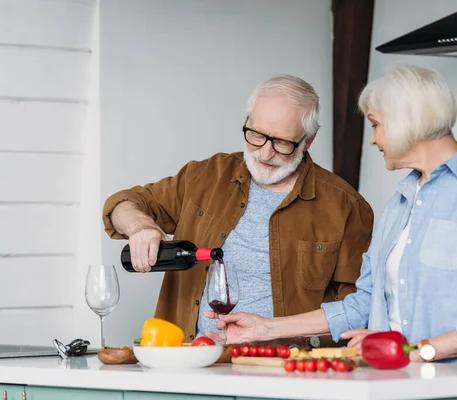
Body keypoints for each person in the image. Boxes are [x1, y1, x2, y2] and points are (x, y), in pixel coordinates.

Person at [205, 64, 457, 365]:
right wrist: (266, 328)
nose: (373, 138)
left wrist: (414, 351)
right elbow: (364, 304)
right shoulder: (400, 204)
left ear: (406, 121)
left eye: (375, 125)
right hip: (394, 386)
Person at [102, 75, 374, 343]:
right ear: (246, 122)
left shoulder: (345, 207)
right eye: (256, 135)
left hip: (282, 371)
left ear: (308, 140)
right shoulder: (206, 176)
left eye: (282, 143)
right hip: (188, 359)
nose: (265, 154)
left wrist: (280, 335)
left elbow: (354, 308)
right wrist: (140, 226)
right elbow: (123, 203)